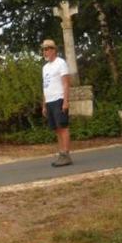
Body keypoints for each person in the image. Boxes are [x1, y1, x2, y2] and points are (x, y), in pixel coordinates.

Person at [42, 39, 73, 167]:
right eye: (43, 50)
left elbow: (66, 83)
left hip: (59, 99)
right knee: (56, 129)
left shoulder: (61, 63)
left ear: (53, 50)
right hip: (49, 101)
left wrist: (65, 101)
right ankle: (61, 153)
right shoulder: (45, 68)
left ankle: (66, 154)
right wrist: (44, 105)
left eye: (47, 49)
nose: (45, 52)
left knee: (63, 127)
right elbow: (45, 86)